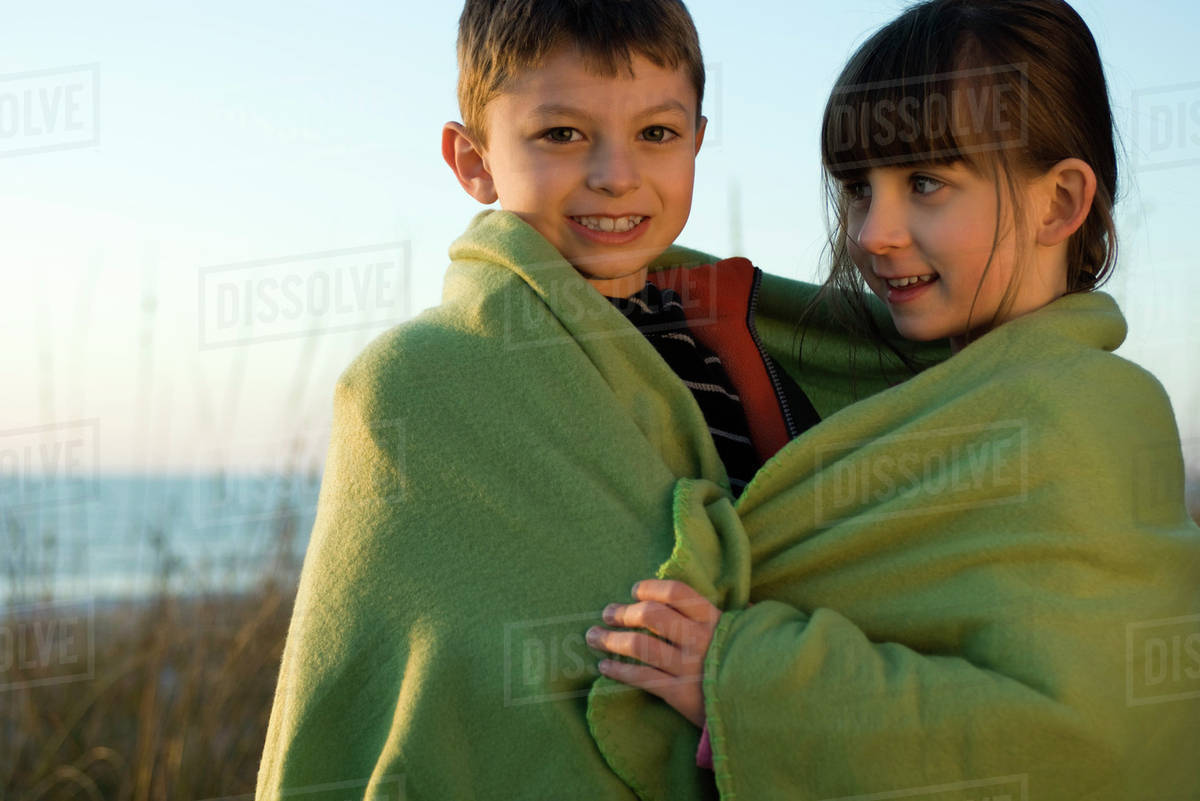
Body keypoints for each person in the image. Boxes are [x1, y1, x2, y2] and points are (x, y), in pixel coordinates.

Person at [254, 1, 943, 799]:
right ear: (473, 160)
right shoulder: (417, 382)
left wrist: (754, 678)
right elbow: (385, 698)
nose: (617, 174)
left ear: (697, 140)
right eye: (561, 134)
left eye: (656, 133)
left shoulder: (738, 344)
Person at [586, 1, 1200, 799]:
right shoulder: (925, 390)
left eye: (925, 183)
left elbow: (1082, 742)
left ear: (1058, 203)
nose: (873, 233)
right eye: (857, 189)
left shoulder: (1087, 414)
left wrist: (739, 673)